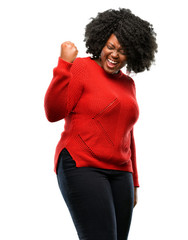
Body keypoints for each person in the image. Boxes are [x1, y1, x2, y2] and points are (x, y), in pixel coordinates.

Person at [44, 8, 157, 240]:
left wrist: (134, 180)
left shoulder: (128, 84)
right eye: (110, 47)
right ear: (100, 43)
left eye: (123, 51)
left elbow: (128, 133)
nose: (114, 55)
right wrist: (64, 66)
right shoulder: (82, 68)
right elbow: (53, 112)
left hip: (121, 173)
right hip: (82, 164)